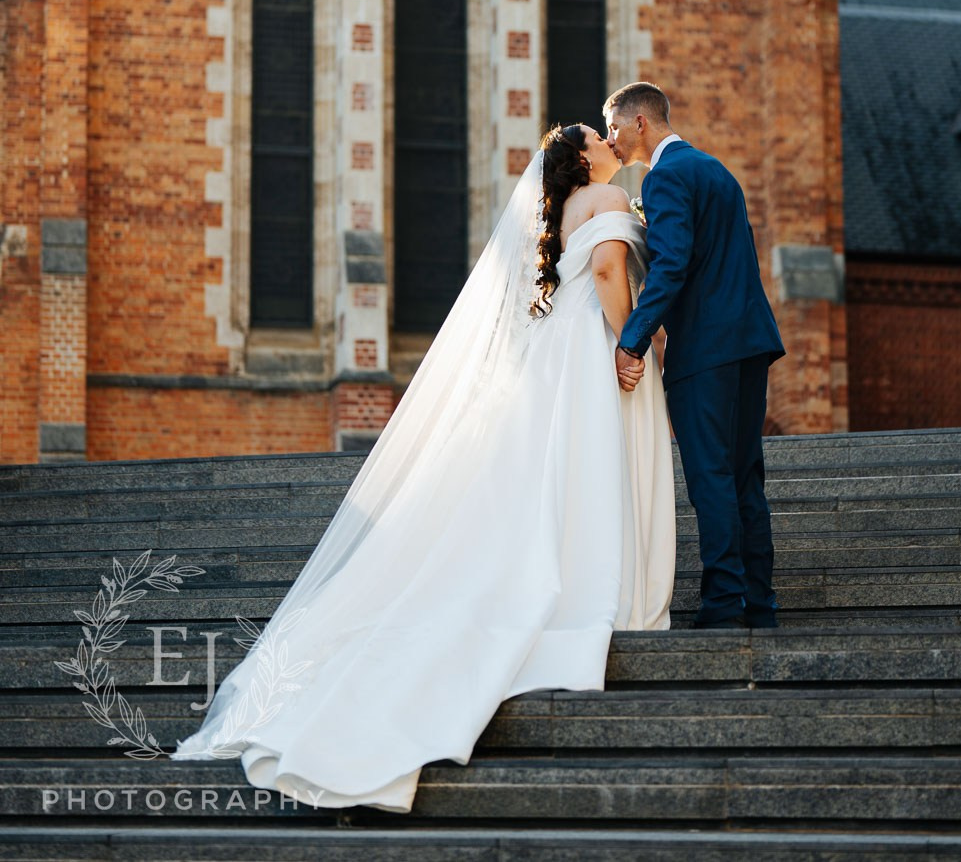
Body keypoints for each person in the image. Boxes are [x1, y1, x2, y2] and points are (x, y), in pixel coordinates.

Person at [173, 124, 674, 810]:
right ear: (585, 157)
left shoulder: (555, 212)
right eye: (598, 136)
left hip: (555, 350)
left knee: (555, 474)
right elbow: (612, 273)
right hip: (590, 347)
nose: (609, 138)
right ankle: (596, 583)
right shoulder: (607, 200)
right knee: (585, 472)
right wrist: (632, 342)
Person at [605, 82, 785, 630]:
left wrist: (631, 339)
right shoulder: (716, 171)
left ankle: (723, 604)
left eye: (612, 126)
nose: (609, 139)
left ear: (640, 123)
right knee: (742, 475)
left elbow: (672, 266)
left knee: (710, 476)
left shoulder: (665, 178)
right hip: (749, 342)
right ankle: (759, 603)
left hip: (705, 351)